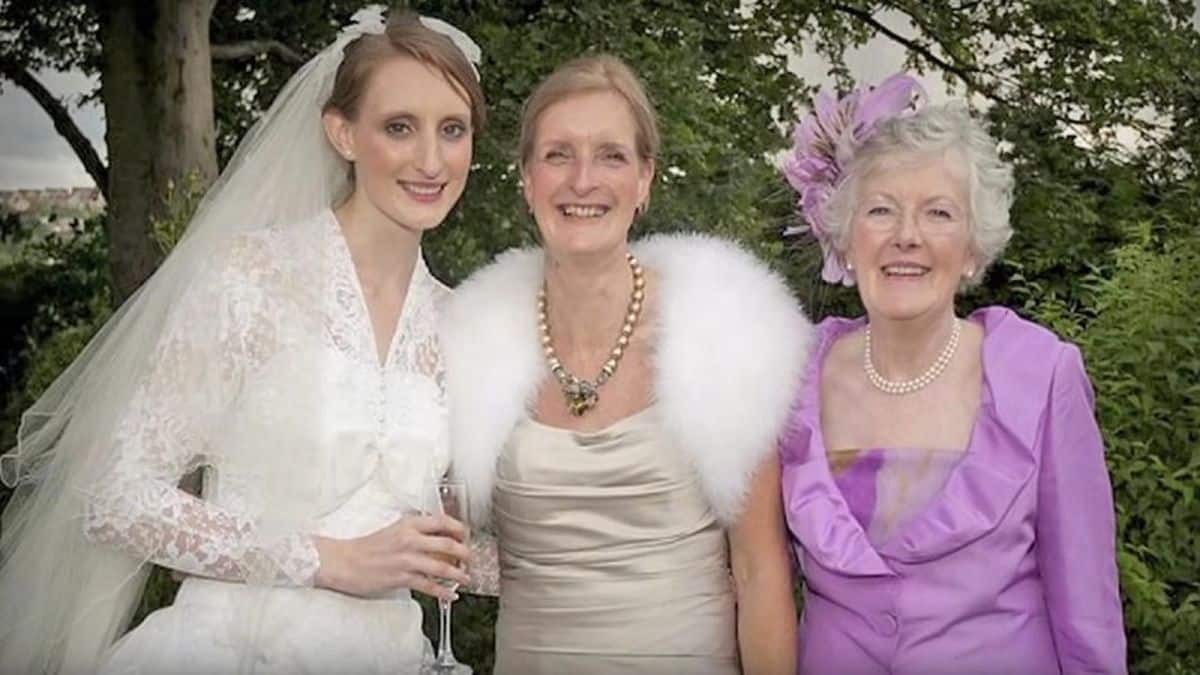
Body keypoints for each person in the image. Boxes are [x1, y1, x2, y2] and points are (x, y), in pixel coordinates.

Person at [0, 9, 485, 674]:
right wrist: (327, 560)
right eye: (399, 126)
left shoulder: (461, 324)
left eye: (452, 129)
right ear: (343, 133)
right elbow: (115, 496)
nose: (431, 160)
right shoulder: (251, 278)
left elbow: (459, 545)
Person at [441, 54, 807, 675]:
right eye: (558, 155)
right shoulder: (467, 344)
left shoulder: (724, 334)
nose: (583, 180)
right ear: (527, 179)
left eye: (611, 156)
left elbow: (759, 571)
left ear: (644, 181)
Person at [778, 74, 1127, 674]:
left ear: (972, 249)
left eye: (938, 213)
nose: (906, 236)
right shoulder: (785, 374)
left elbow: (1087, 612)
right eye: (881, 210)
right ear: (846, 237)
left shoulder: (1044, 376)